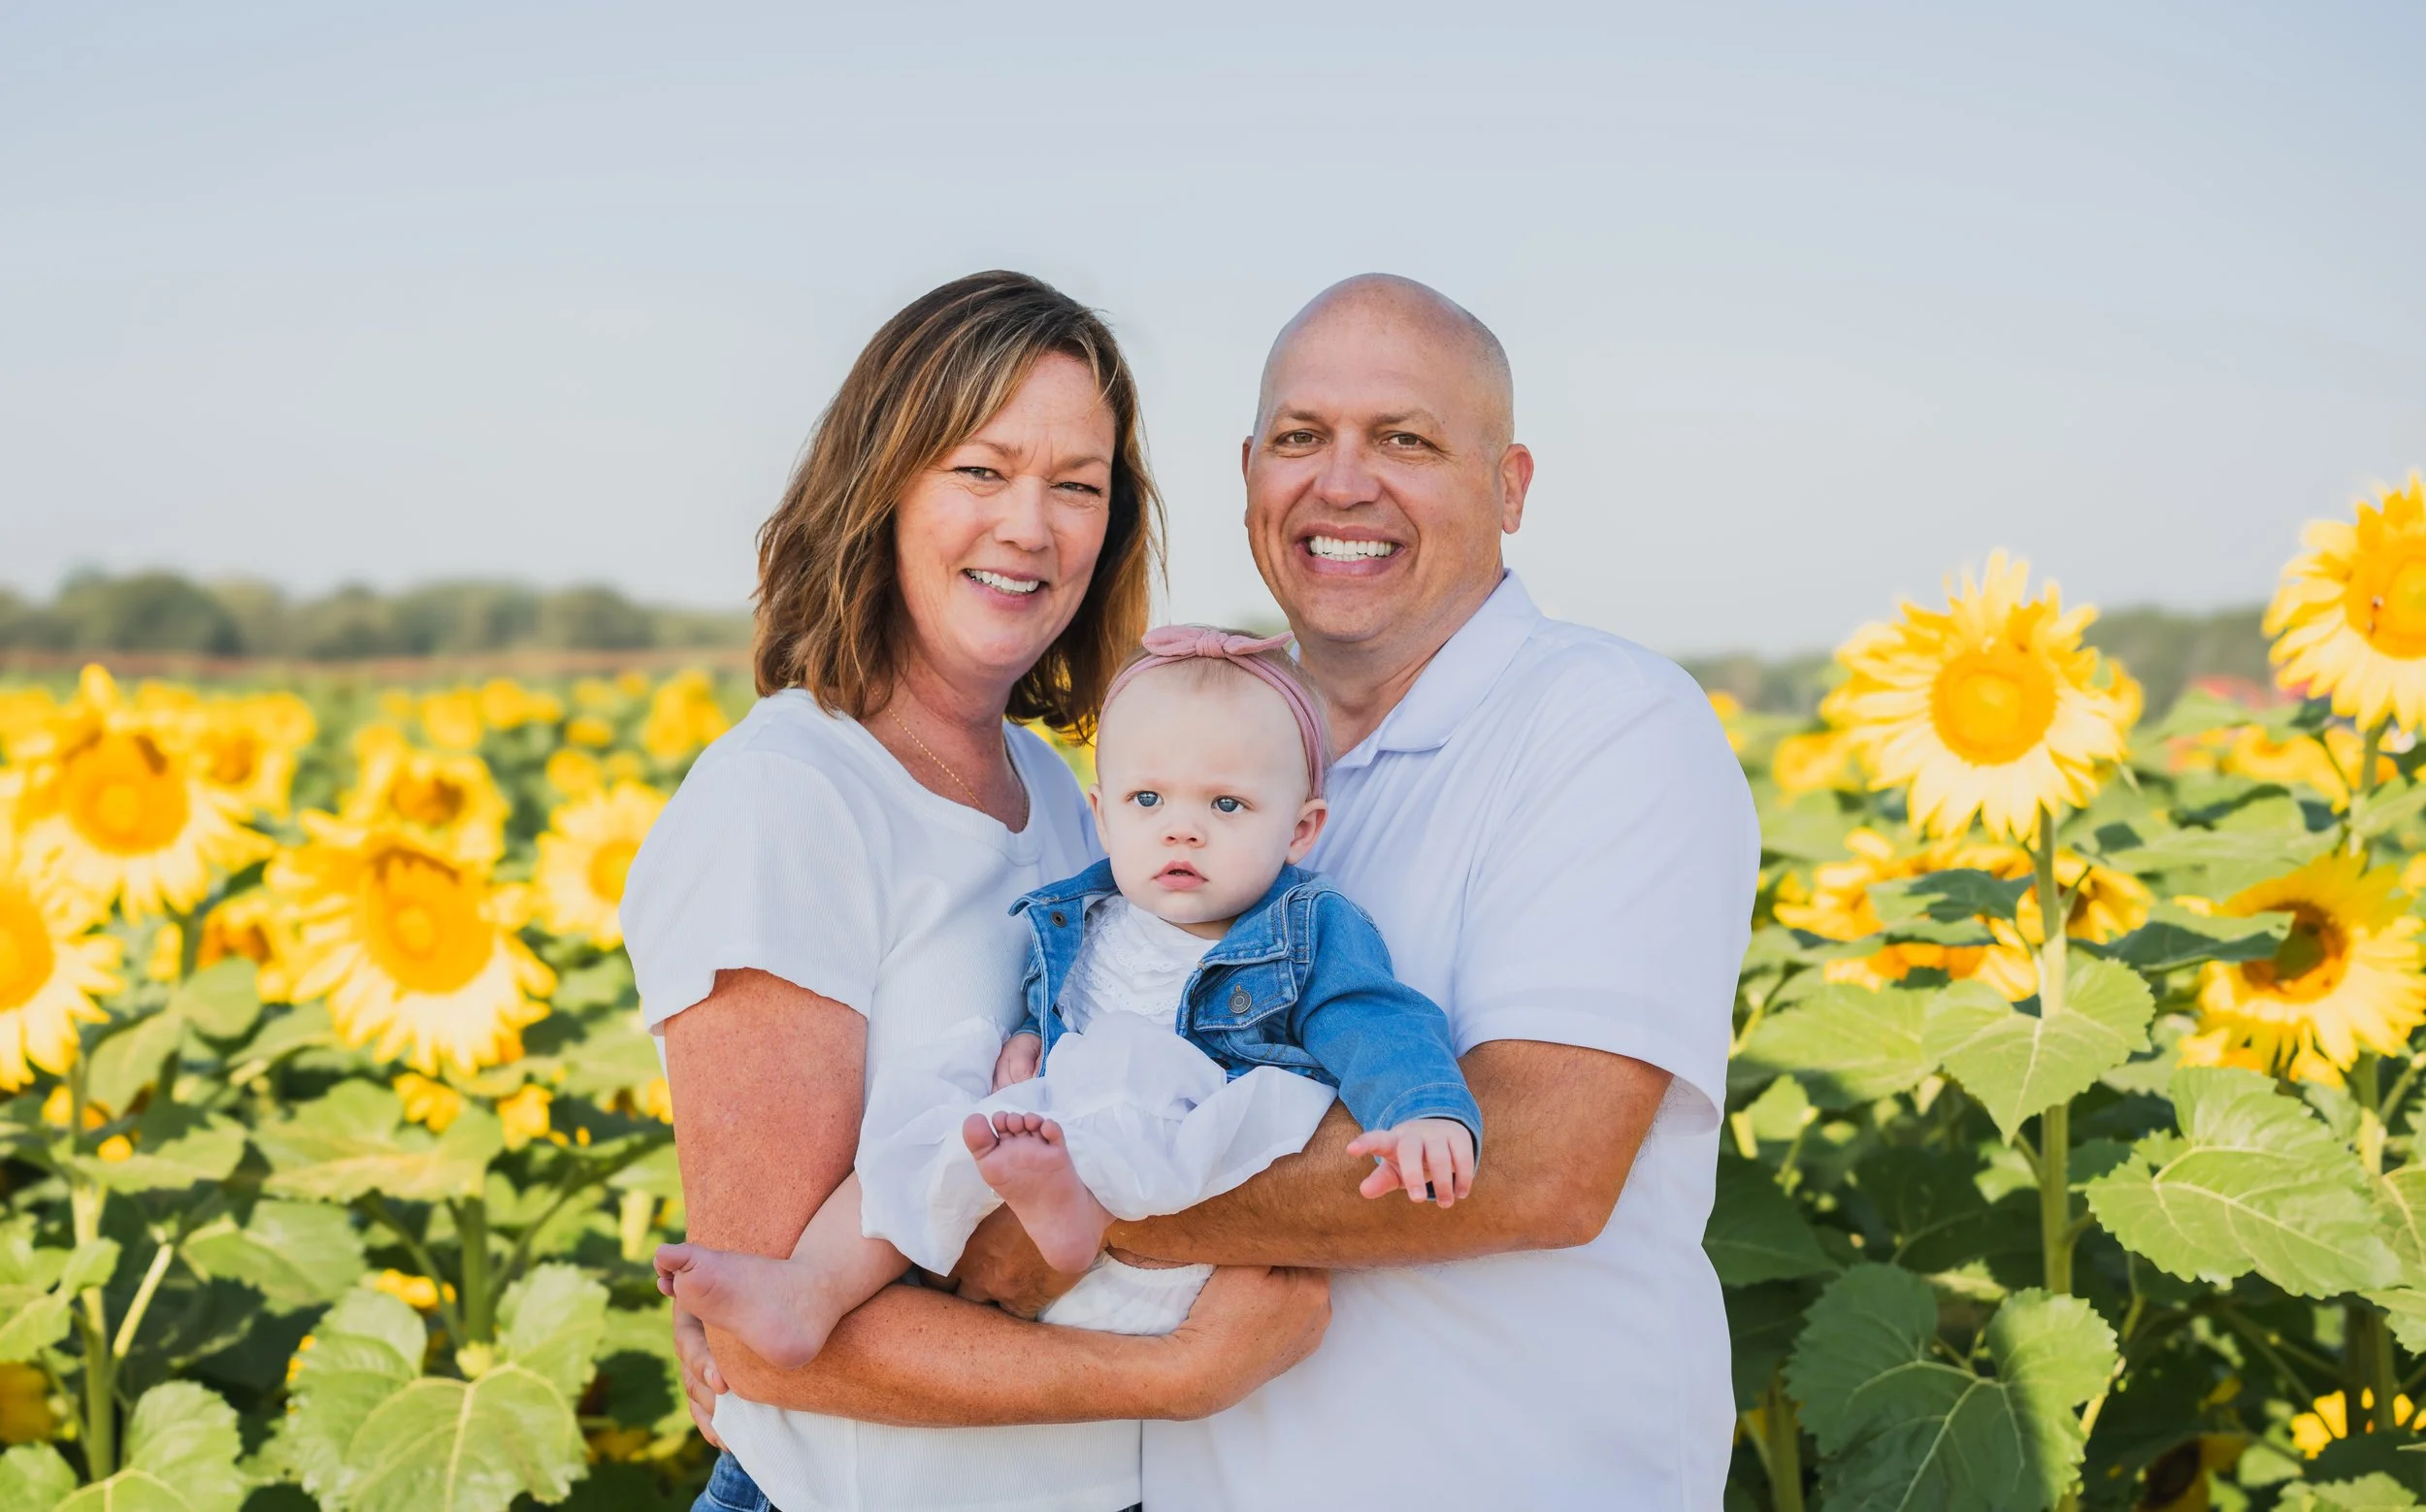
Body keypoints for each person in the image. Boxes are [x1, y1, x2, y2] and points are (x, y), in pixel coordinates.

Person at [944, 274, 1759, 1507]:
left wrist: (1085, 1210)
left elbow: (1542, 1155)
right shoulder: (1206, 746)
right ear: (1247, 472)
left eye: (1405, 440)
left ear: (1511, 487)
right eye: (1299, 437)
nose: (1341, 484)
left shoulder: (1607, 724)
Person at [621, 270, 1328, 1512]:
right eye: (980, 470)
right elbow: (769, 1335)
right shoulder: (787, 801)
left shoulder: (1070, 804)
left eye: (1077, 485)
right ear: (879, 485)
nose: (1031, 525)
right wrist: (1167, 1373)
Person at [652, 626, 1481, 1366]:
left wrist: (1424, 1110)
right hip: (1053, 1139)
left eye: (1227, 805)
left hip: (1178, 1171)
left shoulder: (1306, 926)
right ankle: (808, 1290)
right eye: (1147, 801)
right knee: (933, 1110)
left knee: (1123, 1070)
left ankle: (1070, 1216)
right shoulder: (1083, 915)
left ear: (1301, 829)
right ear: (1103, 817)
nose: (1181, 830)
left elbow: (1375, 1019)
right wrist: (1024, 1053)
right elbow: (1059, 1018)